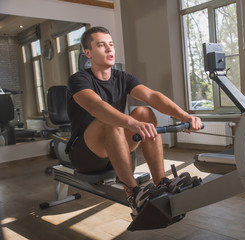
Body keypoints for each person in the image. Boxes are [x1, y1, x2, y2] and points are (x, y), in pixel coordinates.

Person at [65, 26, 202, 217]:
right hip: (86, 155)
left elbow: (152, 96)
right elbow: (96, 106)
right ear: (88, 53)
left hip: (116, 146)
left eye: (111, 45)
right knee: (110, 119)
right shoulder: (78, 80)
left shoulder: (122, 77)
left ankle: (161, 181)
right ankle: (133, 194)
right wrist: (130, 123)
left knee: (144, 112)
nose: (109, 49)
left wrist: (184, 116)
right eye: (101, 45)